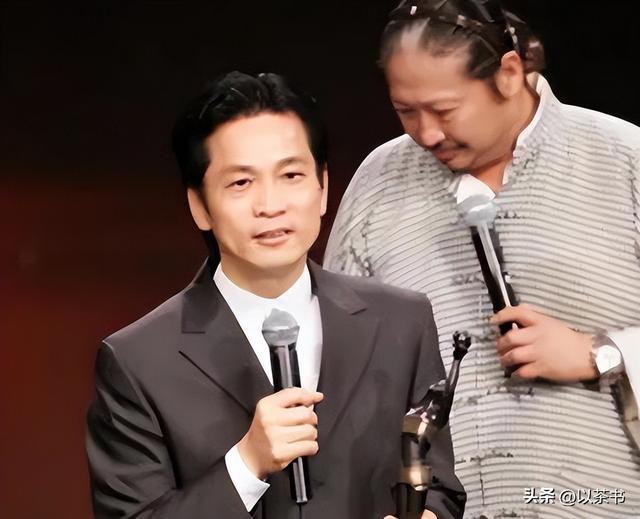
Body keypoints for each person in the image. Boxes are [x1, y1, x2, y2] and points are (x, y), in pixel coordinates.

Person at [85, 71, 465, 519]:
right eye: (241, 183)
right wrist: (246, 465)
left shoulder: (402, 321)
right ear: (200, 206)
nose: (270, 205)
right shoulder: (138, 361)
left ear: (322, 188)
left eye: (291, 175)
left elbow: (439, 486)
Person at [324, 0, 640, 517]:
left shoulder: (624, 159)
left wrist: (600, 354)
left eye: (445, 110)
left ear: (509, 73)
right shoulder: (376, 186)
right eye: (406, 111)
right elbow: (337, 377)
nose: (426, 133)